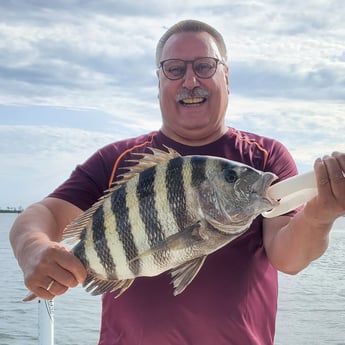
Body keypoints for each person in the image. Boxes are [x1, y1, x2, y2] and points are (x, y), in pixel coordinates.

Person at [10, 19, 345, 345]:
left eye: (204, 66)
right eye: (174, 69)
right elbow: (46, 215)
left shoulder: (264, 158)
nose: (189, 81)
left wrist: (318, 217)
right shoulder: (116, 159)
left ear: (226, 77)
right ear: (159, 81)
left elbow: (289, 257)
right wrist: (33, 248)